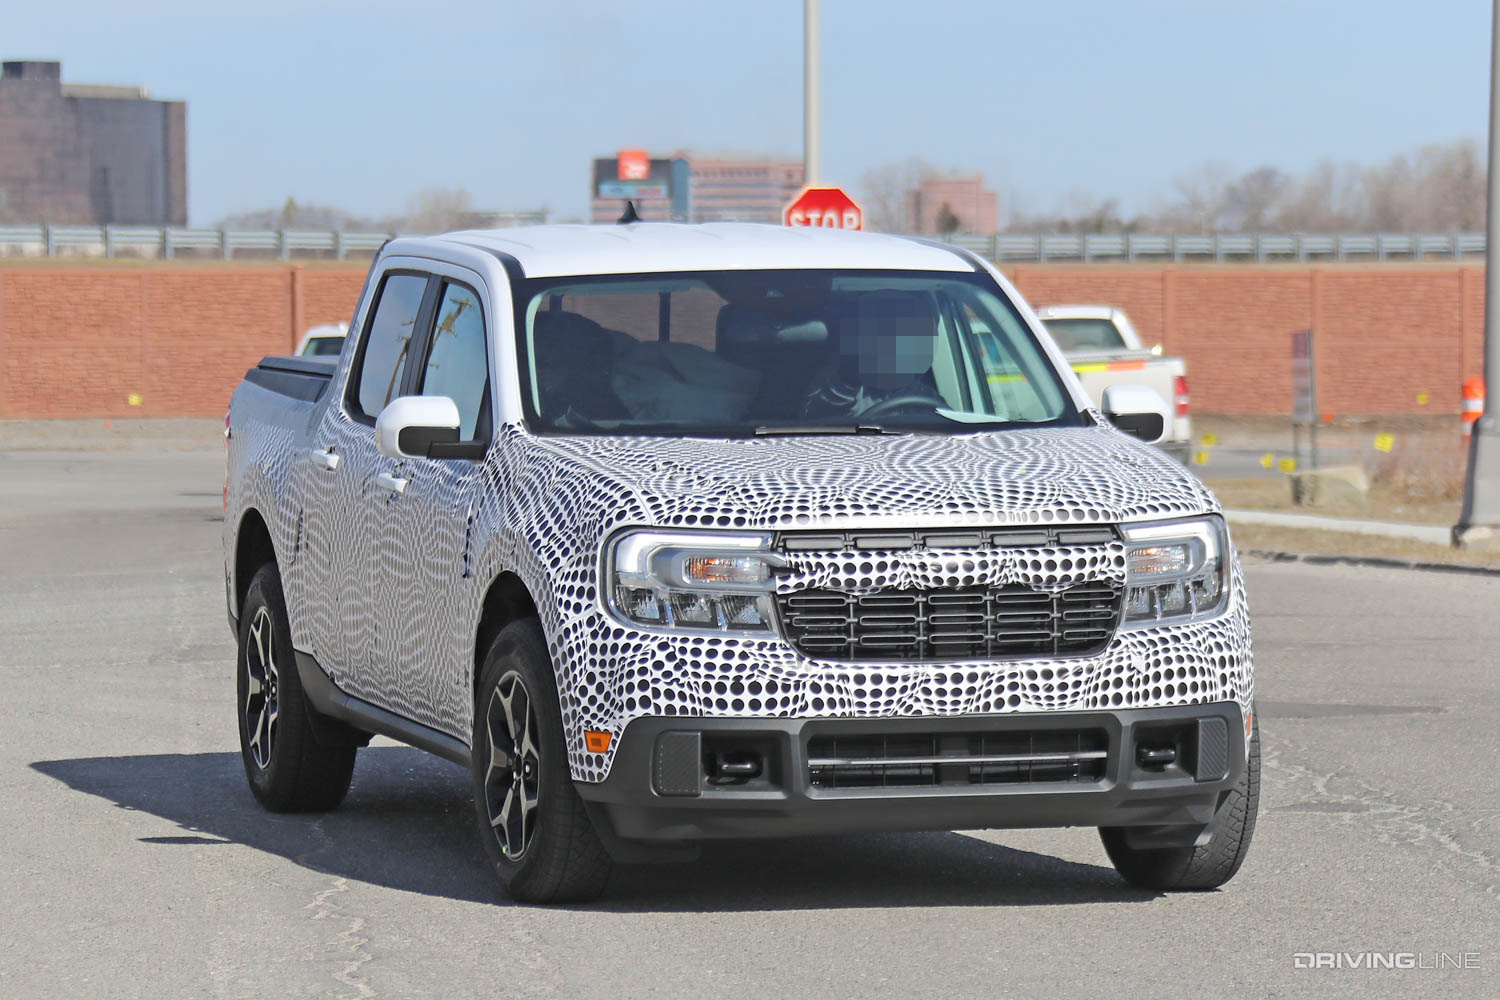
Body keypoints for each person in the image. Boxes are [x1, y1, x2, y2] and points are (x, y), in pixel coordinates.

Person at [800, 290, 946, 420]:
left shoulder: (922, 394)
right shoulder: (839, 382)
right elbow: (824, 417)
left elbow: (950, 426)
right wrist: (850, 377)